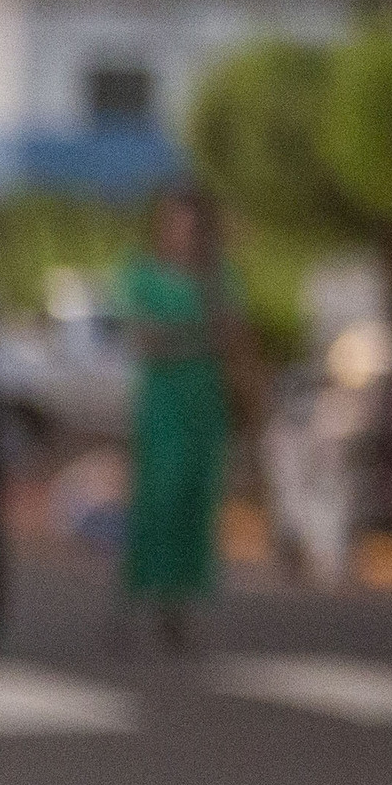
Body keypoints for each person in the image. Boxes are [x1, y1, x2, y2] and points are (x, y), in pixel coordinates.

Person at [116, 183, 241, 651]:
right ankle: (140, 598)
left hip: (204, 402)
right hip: (162, 403)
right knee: (159, 497)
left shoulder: (216, 277)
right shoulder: (143, 275)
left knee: (197, 498)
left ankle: (184, 605)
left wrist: (190, 336)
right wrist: (196, 335)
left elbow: (232, 333)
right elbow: (147, 337)